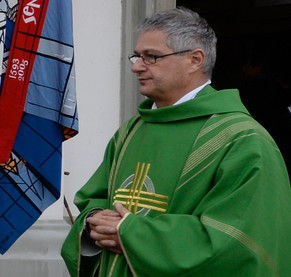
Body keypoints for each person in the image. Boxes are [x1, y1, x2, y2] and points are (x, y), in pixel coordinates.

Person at [61, 7, 291, 277]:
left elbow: (238, 240)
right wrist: (93, 221)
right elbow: (95, 198)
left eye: (152, 57)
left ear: (195, 60)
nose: (136, 66)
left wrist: (131, 233)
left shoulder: (242, 140)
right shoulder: (131, 131)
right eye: (136, 56)